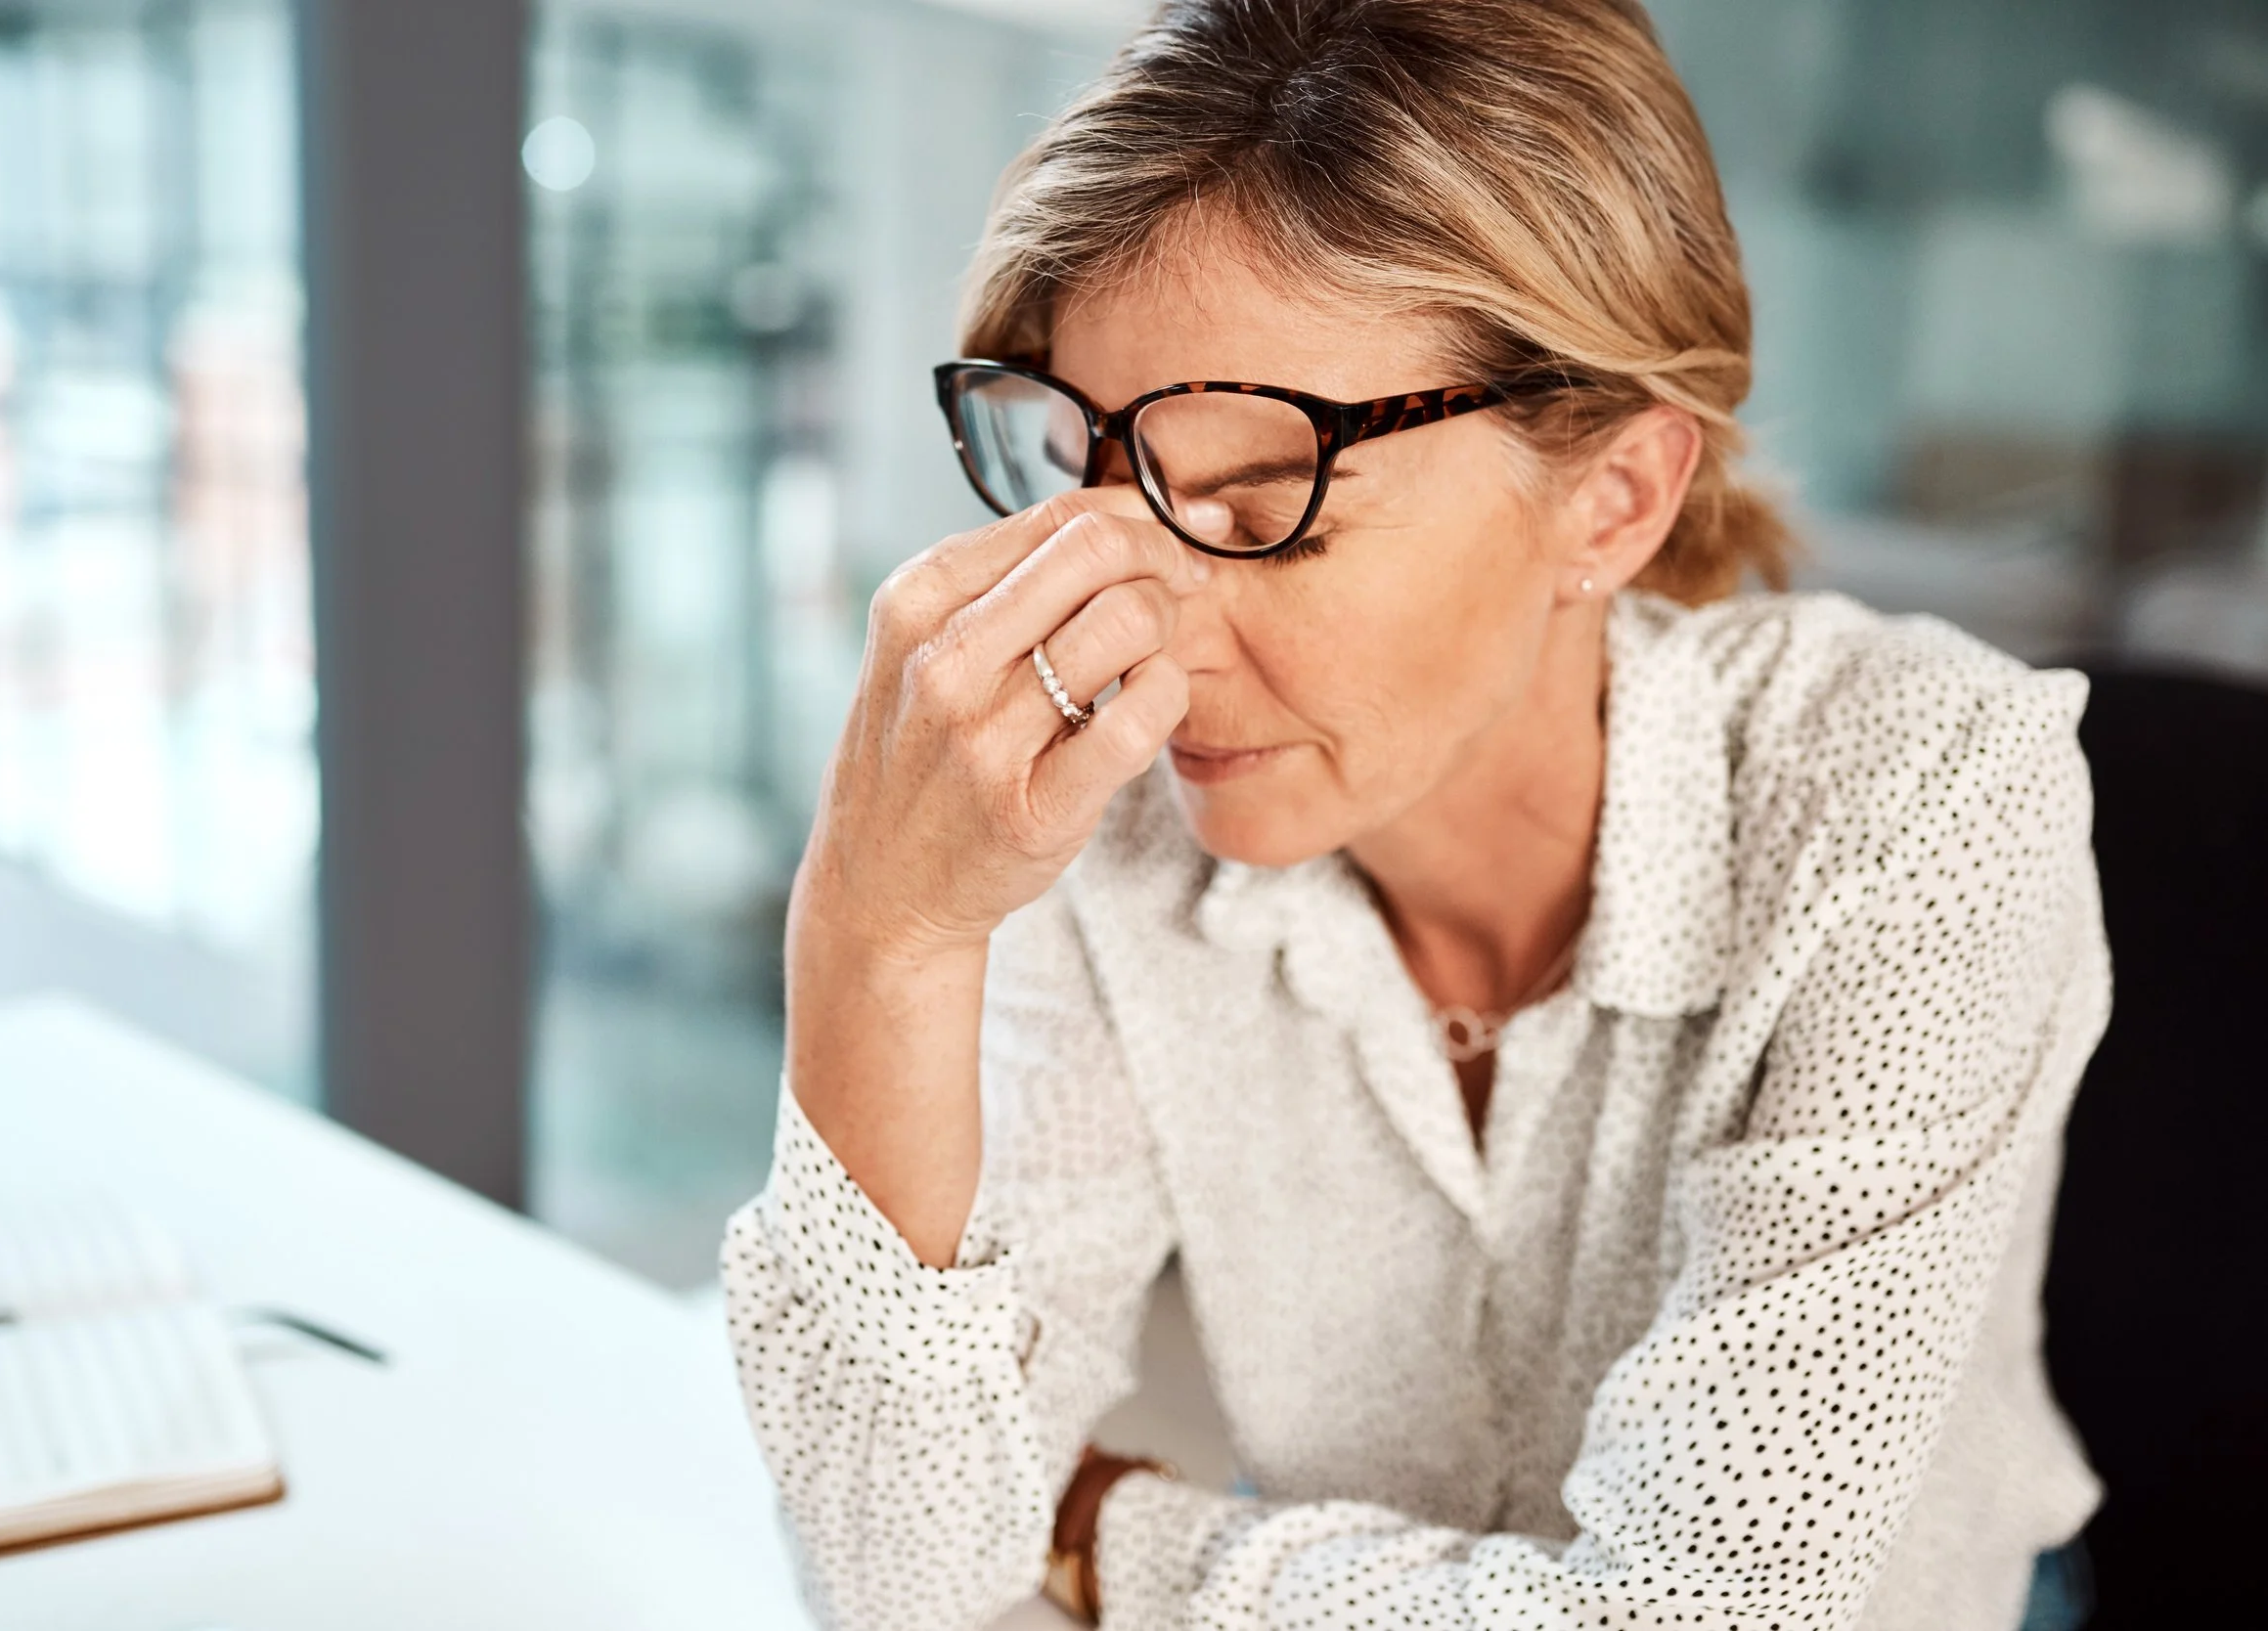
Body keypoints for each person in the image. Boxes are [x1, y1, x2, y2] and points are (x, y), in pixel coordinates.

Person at [719, 3, 2106, 1628]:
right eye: (1082, 479)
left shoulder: (1917, 791)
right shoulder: (1115, 821)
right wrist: (879, 936)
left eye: (1259, 505)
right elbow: (898, 1577)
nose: (1139, 633)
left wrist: (1110, 1537)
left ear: (1614, 496)